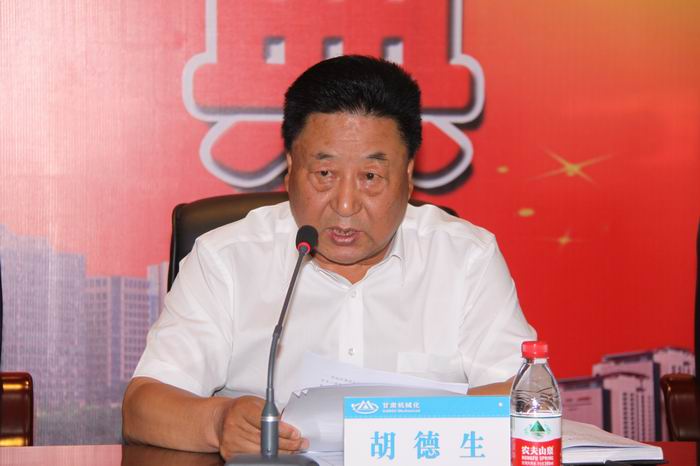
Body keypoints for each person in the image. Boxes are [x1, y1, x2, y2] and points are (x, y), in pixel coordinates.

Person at [122, 55, 535, 459]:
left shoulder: (465, 258)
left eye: (370, 177)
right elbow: (143, 407)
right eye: (324, 174)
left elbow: (525, 396)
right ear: (290, 169)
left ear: (408, 177)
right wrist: (217, 422)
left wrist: (397, 423)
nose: (345, 204)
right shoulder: (226, 259)